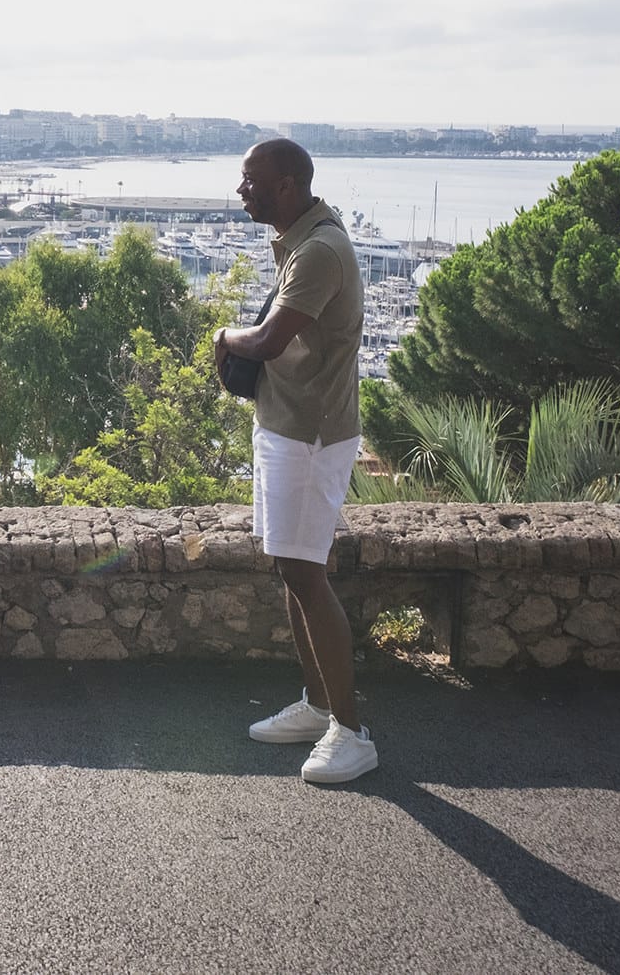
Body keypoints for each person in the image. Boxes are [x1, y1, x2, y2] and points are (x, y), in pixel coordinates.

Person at [213, 137, 378, 785]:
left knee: (307, 574)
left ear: (286, 184)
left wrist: (223, 336)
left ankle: (352, 732)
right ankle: (318, 707)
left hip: (311, 435)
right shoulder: (301, 240)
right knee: (291, 568)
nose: (241, 190)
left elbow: (268, 340)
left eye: (251, 180)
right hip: (286, 426)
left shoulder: (319, 252)